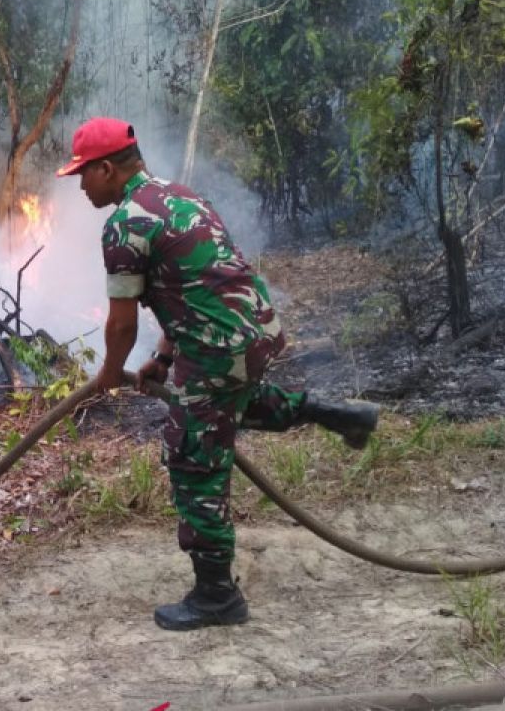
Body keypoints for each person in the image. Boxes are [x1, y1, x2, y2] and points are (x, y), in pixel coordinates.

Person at [56, 117, 378, 632]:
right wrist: (162, 359)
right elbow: (192, 288)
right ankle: (338, 415)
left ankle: (216, 597)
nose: (80, 186)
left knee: (192, 456)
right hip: (253, 332)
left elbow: (120, 322)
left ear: (108, 168)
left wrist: (109, 373)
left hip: (216, 348)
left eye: (83, 175)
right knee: (232, 406)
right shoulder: (182, 197)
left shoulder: (126, 225)